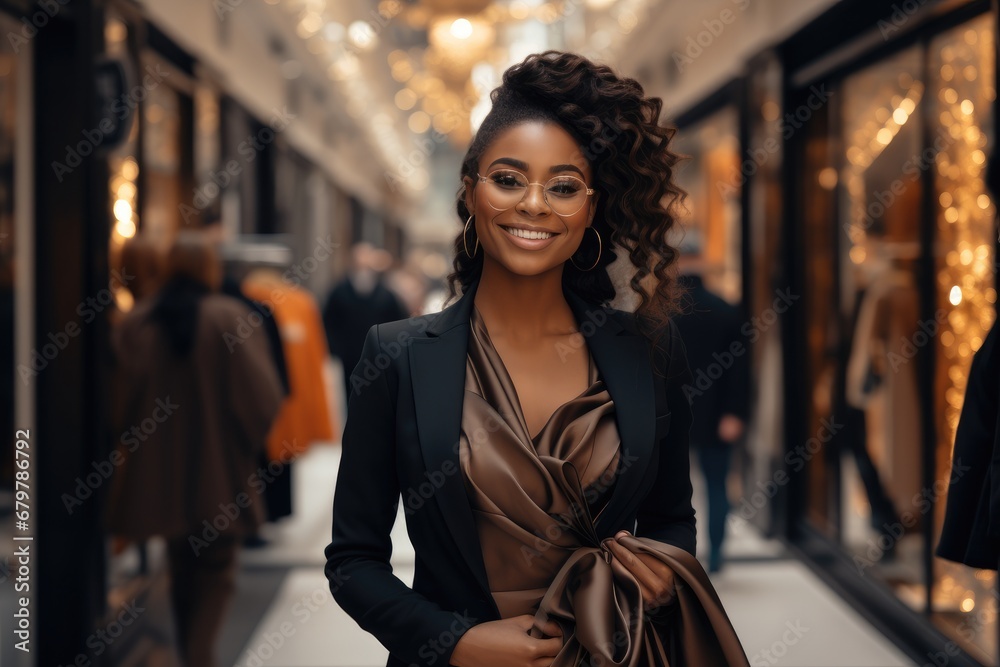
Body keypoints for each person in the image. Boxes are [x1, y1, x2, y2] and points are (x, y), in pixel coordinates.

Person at [325, 51, 749, 667]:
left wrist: (663, 573)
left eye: (564, 186)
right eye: (508, 178)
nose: (534, 204)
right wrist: (455, 641)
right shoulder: (396, 355)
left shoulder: (648, 350)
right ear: (470, 191)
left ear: (591, 209)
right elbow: (353, 561)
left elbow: (671, 516)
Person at [107, 231, 284, 667]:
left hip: (157, 477)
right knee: (216, 573)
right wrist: (241, 446)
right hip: (220, 474)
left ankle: (190, 652)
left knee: (180, 564)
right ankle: (199, 655)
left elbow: (115, 407)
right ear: (211, 269)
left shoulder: (139, 323)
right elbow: (263, 401)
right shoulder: (231, 318)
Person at [672, 238, 749, 573]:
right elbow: (739, 369)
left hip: (670, 414)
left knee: (671, 490)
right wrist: (735, 412)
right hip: (717, 413)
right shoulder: (724, 309)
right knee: (717, 484)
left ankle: (677, 556)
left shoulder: (661, 311)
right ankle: (716, 554)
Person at [322, 242, 409, 399]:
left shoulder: (386, 296)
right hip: (348, 356)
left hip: (379, 358)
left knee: (376, 396)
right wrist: (335, 350)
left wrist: (393, 350)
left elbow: (398, 322)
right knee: (350, 393)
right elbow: (328, 323)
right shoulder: (339, 292)